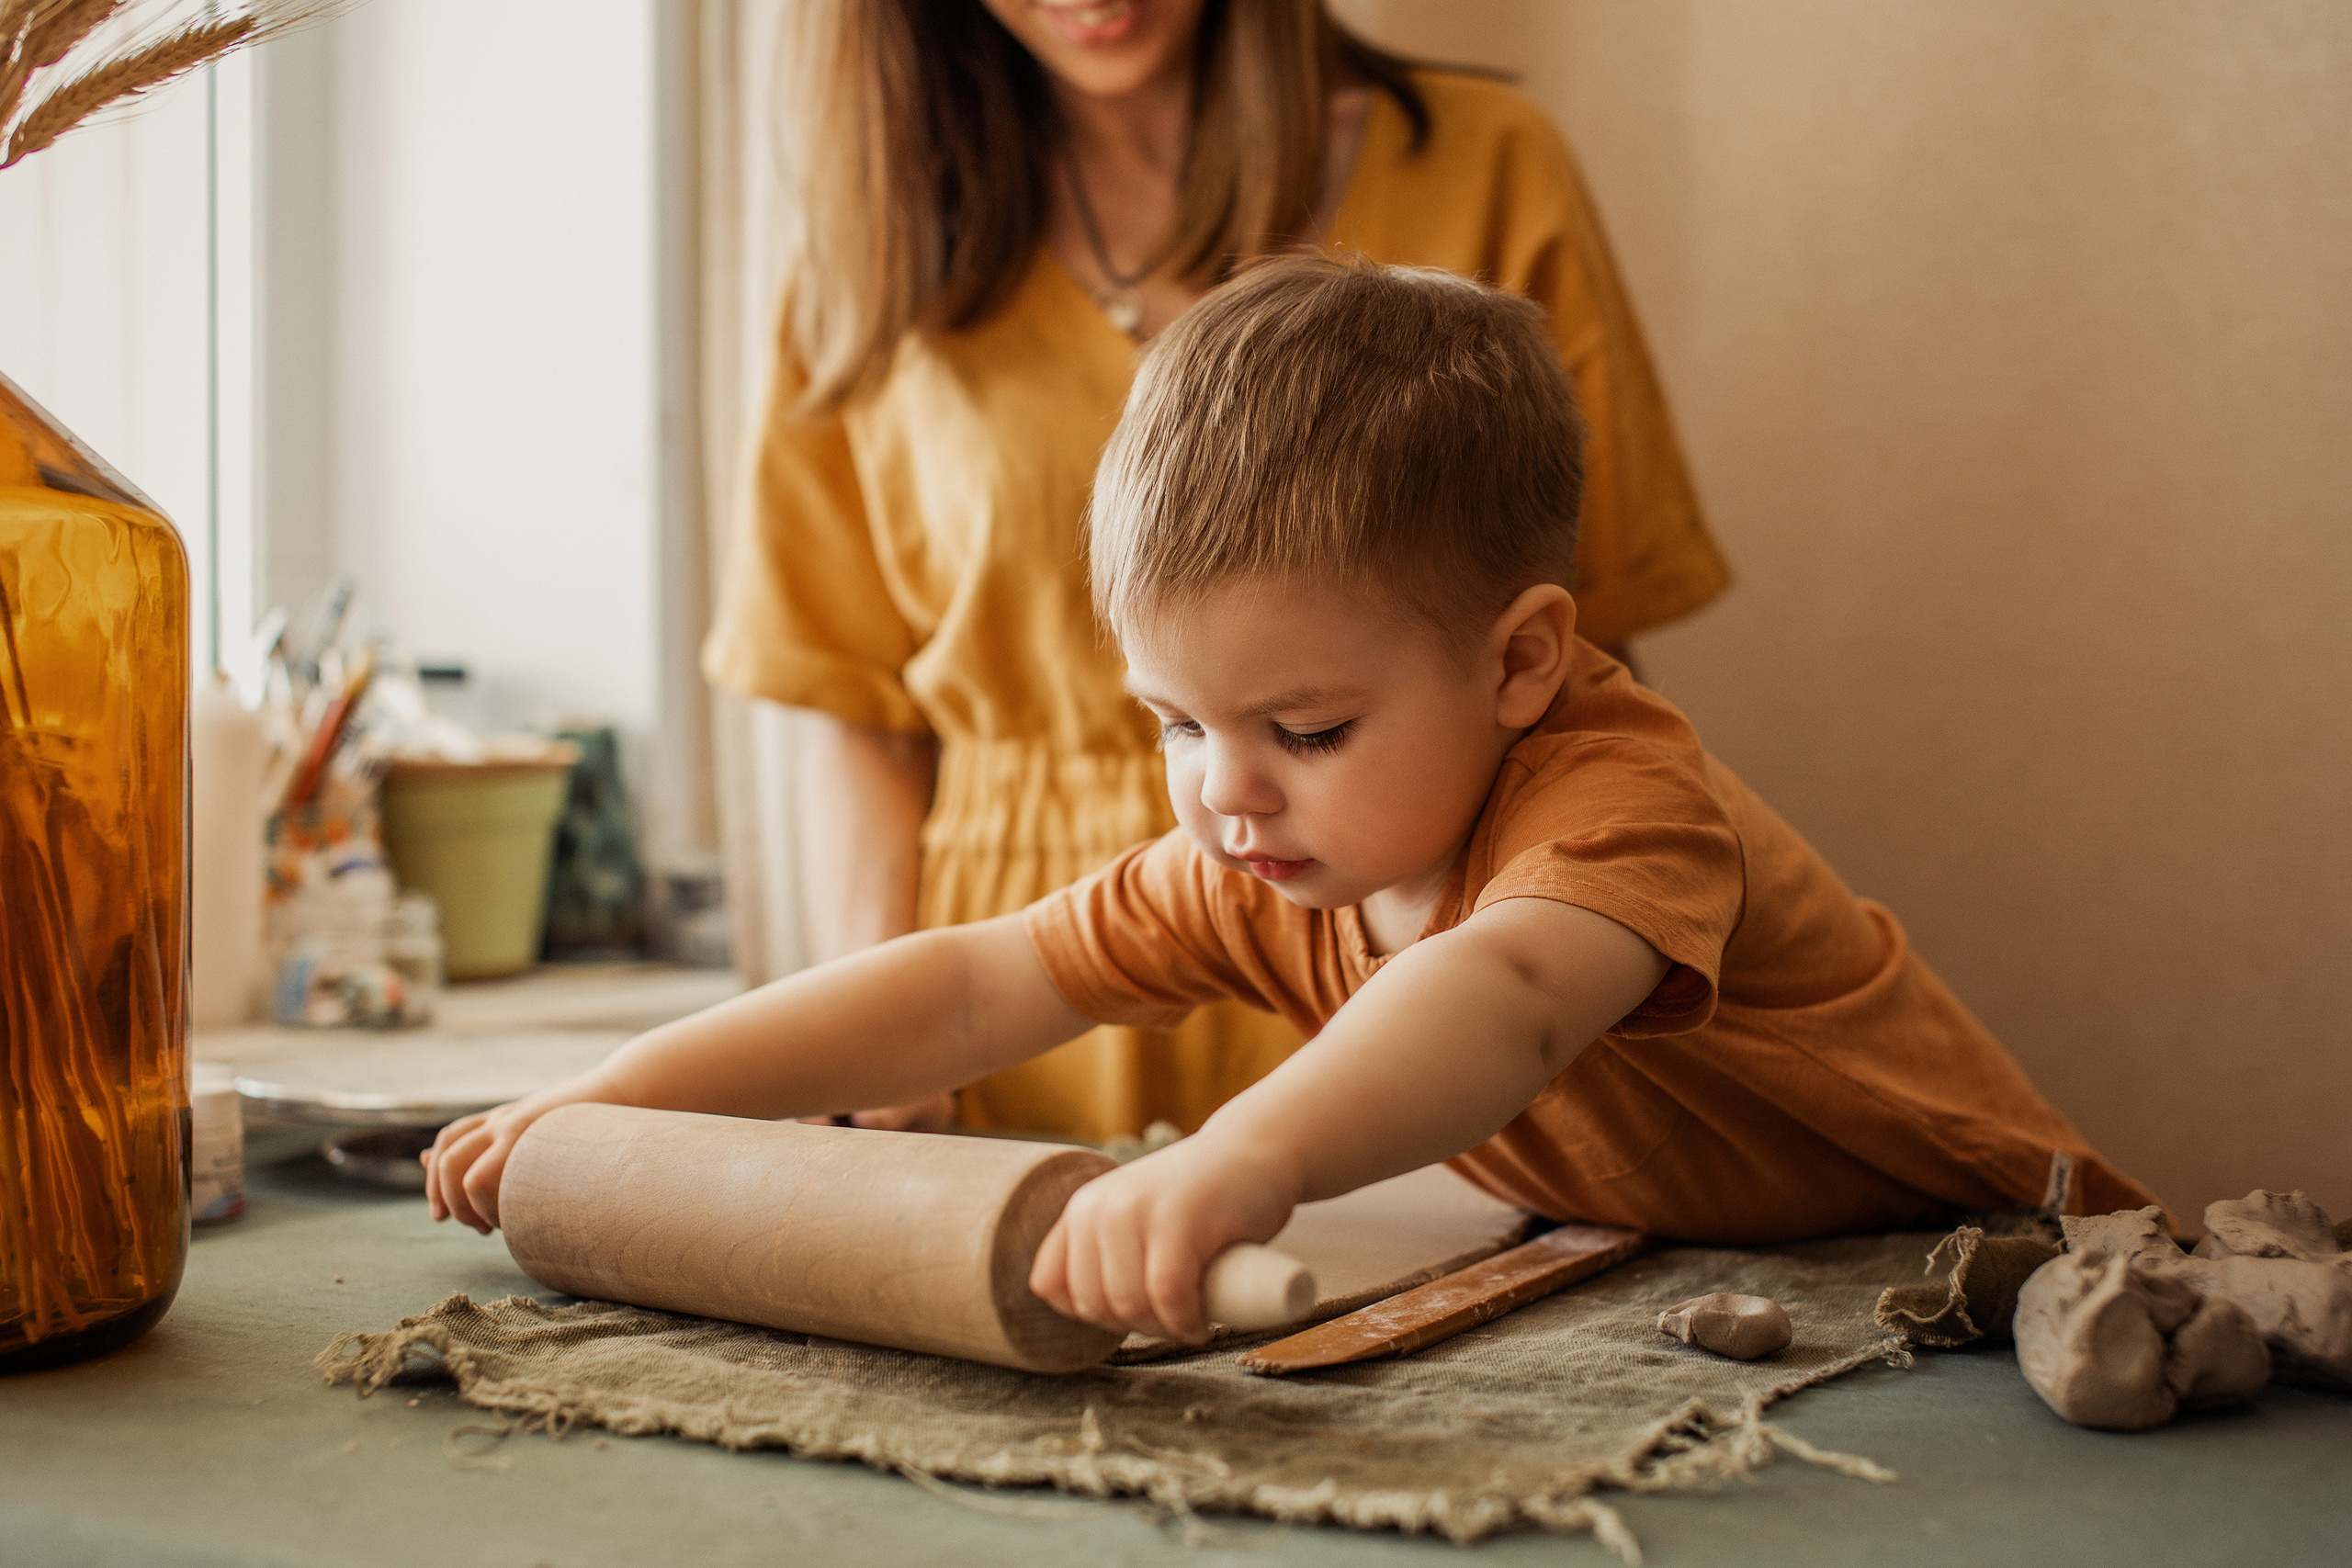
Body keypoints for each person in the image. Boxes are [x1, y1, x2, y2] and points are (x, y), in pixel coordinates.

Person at [431, 258, 2154, 1344]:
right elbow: (970, 984)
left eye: (1307, 726)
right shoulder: (1262, 846)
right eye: (1174, 720)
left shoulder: (1627, 799)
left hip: (1993, 1264)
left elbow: (1504, 1000)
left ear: (1523, 660)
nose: (1224, 792)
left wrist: (1243, 1155)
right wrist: (615, 1098)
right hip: (1730, 1275)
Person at [703, 0, 1729, 1140]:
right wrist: (881, 1065)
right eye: (1178, 727)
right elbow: (856, 708)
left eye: (1308, 726)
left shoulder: (1484, 162)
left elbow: (1584, 669)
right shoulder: (869, 251)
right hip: (1012, 1011)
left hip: (1432, 984)